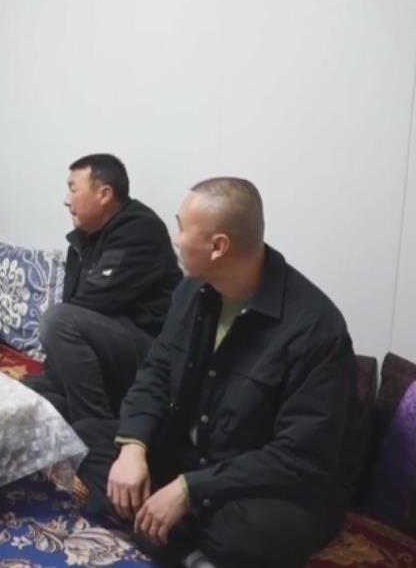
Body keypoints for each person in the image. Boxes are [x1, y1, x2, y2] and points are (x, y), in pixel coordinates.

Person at [73, 178, 361, 568]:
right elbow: (157, 371)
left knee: (248, 534)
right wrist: (134, 447)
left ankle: (167, 532)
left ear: (218, 246)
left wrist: (189, 490)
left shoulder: (315, 328)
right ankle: (186, 549)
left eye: (181, 228)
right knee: (85, 440)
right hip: (193, 455)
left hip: (265, 483)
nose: (174, 240)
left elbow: (298, 457)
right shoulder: (192, 291)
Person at [23, 153, 181, 422]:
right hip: (107, 348)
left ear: (104, 194)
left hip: (150, 352)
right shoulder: (84, 239)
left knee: (59, 320)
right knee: (24, 395)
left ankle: (94, 426)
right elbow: (78, 308)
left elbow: (93, 303)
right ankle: (71, 406)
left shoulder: (140, 229)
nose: (66, 200)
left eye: (73, 189)